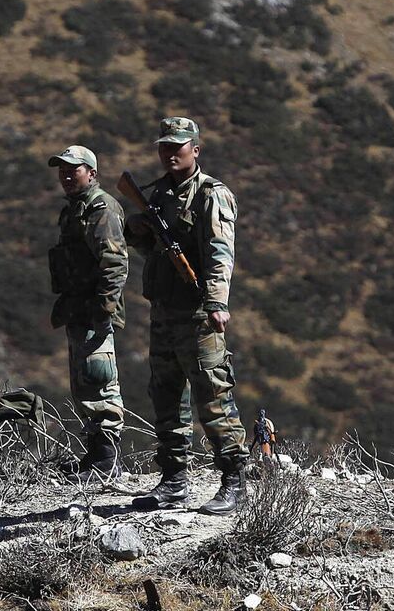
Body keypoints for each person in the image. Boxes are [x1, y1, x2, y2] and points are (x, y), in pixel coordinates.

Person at [126, 117, 247, 515]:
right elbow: (150, 251)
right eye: (164, 145)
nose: (169, 152)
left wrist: (216, 303)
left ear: (196, 149)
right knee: (166, 395)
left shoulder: (211, 194)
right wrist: (140, 230)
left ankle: (233, 480)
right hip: (164, 309)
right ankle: (174, 480)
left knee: (212, 394)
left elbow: (220, 254)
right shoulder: (158, 193)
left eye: (178, 146)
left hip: (196, 311)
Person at [46, 144, 129, 484]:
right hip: (77, 308)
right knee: (83, 382)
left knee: (100, 379)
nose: (66, 175)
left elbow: (115, 262)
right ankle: (95, 455)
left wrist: (104, 309)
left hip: (94, 310)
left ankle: (107, 461)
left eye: (74, 169)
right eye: (62, 170)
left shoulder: (101, 208)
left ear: (91, 173)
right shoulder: (74, 210)